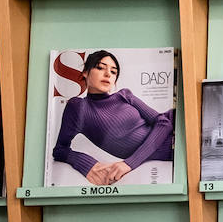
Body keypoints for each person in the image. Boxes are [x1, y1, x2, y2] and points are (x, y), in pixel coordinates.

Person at [52, 50, 173, 186]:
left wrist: (129, 163)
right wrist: (89, 165)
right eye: (100, 67)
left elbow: (164, 122)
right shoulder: (78, 107)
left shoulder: (124, 95)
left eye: (113, 71)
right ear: (85, 72)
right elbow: (60, 150)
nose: (108, 74)